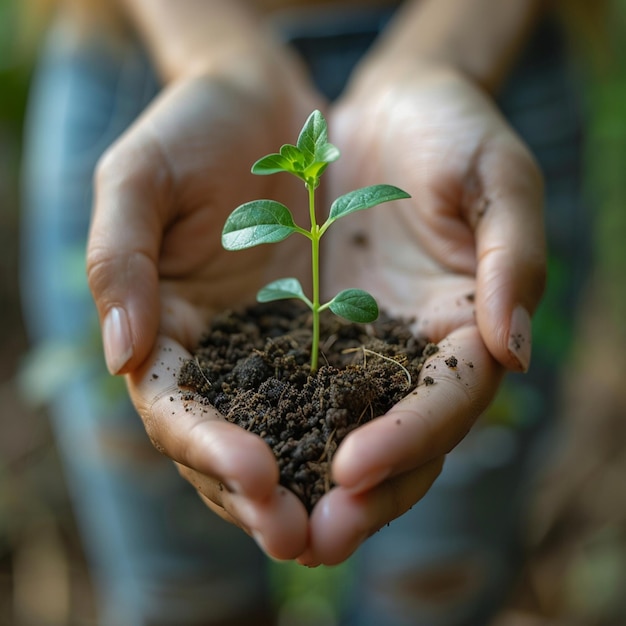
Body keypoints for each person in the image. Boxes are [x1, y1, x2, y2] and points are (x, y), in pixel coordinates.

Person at [21, 0, 590, 624]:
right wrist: (214, 52)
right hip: (143, 57)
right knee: (178, 597)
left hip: (488, 47)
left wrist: (444, 53)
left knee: (439, 593)